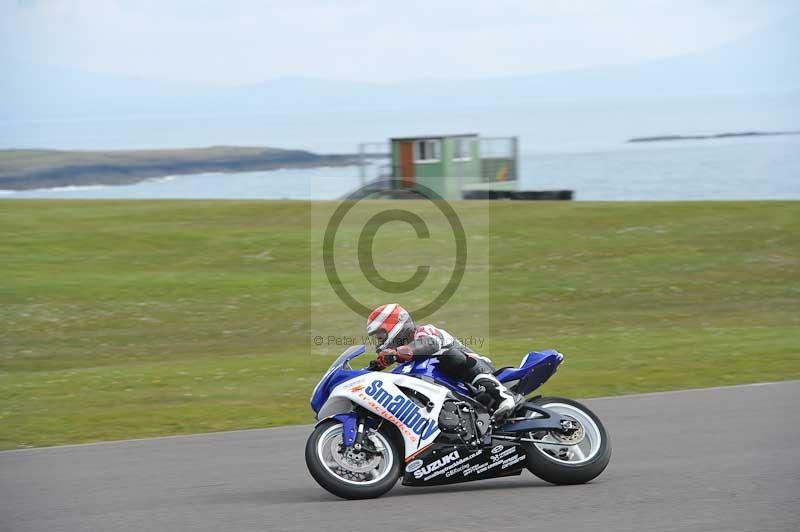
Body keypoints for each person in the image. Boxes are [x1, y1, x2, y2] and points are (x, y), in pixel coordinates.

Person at [366, 303, 517, 416]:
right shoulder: (404, 360)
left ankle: (502, 395)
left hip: (477, 370)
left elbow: (430, 344)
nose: (379, 340)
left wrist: (395, 353)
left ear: (397, 324)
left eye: (381, 334)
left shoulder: (424, 332)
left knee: (449, 356)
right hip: (456, 392)